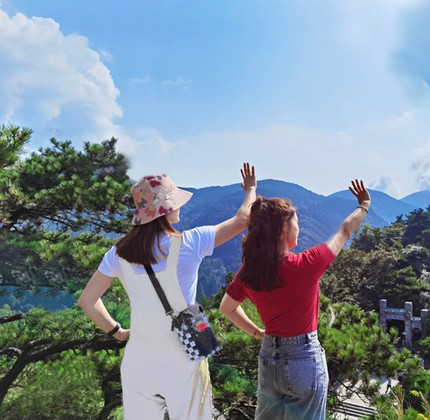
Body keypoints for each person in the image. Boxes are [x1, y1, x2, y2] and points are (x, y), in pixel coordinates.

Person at [77, 163, 257, 420]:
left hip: (139, 361)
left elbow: (87, 300)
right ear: (165, 209)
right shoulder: (190, 243)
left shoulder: (118, 253)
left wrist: (119, 332)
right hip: (184, 358)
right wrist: (251, 189)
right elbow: (243, 219)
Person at [219, 179, 371, 420]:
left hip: (269, 358)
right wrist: (364, 205)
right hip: (303, 360)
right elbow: (344, 231)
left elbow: (227, 308)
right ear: (283, 228)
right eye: (296, 223)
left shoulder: (250, 272)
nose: (298, 228)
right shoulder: (307, 265)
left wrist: (258, 333)